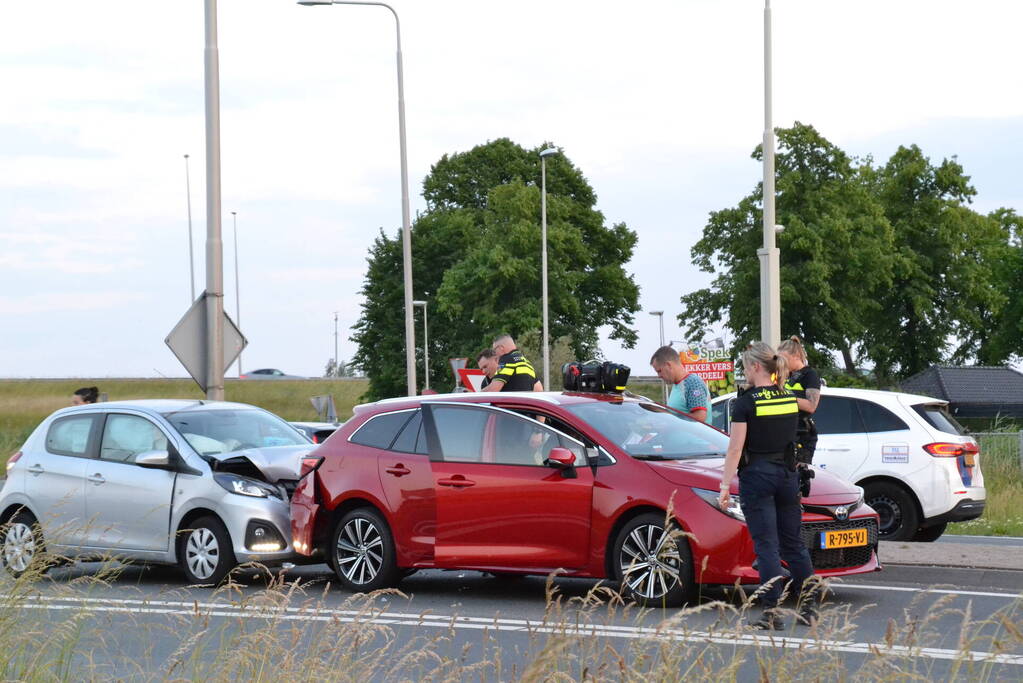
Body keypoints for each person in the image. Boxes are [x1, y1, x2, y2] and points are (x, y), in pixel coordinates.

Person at [717, 342, 816, 630]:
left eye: (746, 367)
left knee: (768, 547)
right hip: (787, 476)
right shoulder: (787, 398)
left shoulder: (746, 403)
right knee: (795, 544)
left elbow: (735, 450)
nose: (745, 373)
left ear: (756, 367)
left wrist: (725, 486)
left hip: (758, 478)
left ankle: (771, 613)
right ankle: (808, 608)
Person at [778, 335, 822, 497]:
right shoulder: (785, 375)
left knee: (795, 480)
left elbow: (811, 406)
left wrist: (785, 397)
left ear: (795, 356)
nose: (780, 363)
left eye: (784, 359)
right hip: (785, 431)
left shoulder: (809, 375)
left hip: (802, 434)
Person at [649, 346, 711, 423]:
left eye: (659, 371)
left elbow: (699, 417)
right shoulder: (677, 384)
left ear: (668, 365)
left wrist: (667, 415)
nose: (659, 376)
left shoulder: (692, 383)